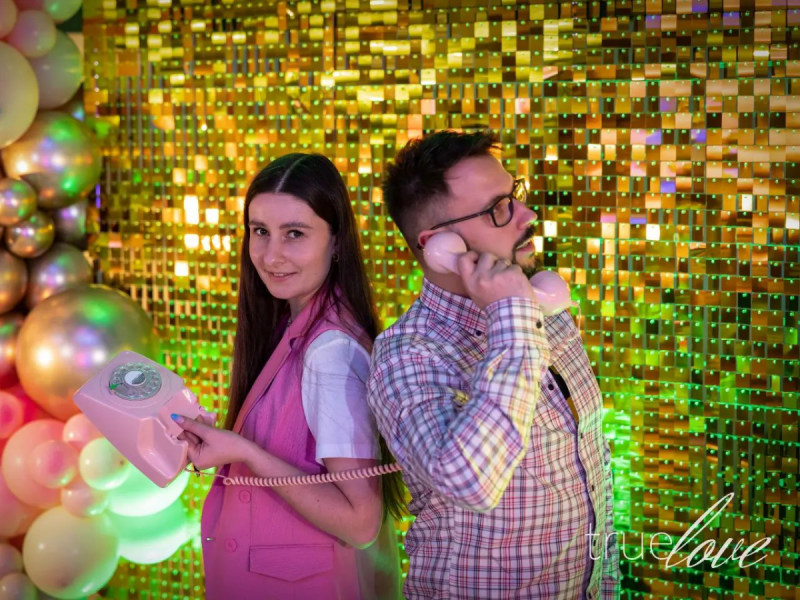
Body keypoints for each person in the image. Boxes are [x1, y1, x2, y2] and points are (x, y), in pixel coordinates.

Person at [367, 130, 621, 599]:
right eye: (498, 208)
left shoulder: (544, 310)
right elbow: (470, 482)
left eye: (515, 194)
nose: (528, 215)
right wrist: (510, 318)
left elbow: (590, 475)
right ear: (440, 245)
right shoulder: (408, 355)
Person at [172, 153, 406, 600]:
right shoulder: (292, 324)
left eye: (294, 234)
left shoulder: (330, 352)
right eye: (260, 231)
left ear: (336, 242)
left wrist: (244, 452)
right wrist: (224, 442)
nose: (271, 255)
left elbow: (360, 523)